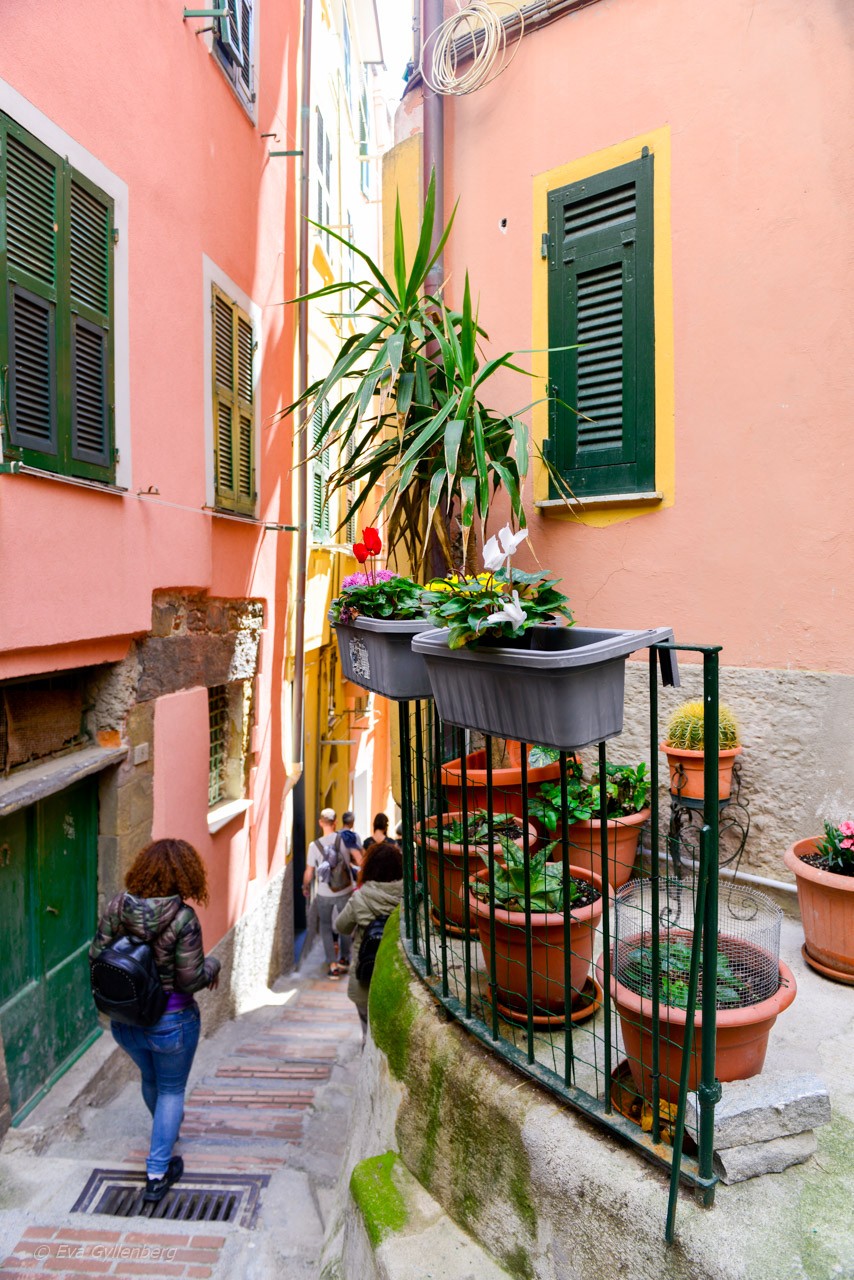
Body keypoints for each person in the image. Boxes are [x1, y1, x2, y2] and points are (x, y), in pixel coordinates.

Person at [89, 838, 221, 1204]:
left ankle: (164, 1135)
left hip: (126, 1020)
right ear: (185, 875)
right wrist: (214, 964)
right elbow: (191, 978)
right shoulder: (183, 918)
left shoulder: (118, 905)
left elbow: (96, 955)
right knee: (172, 1090)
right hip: (172, 1021)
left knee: (151, 1080)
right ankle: (158, 1172)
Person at [334, 840, 403, 1041]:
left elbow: (341, 926)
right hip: (396, 979)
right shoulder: (409, 896)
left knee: (368, 1035)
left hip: (366, 978)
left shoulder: (360, 898)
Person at [304, 807, 354, 978]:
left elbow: (309, 873)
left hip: (324, 892)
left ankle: (332, 966)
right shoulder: (344, 840)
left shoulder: (313, 846)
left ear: (320, 822)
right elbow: (354, 859)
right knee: (345, 924)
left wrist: (305, 887)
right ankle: (345, 959)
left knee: (325, 927)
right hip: (345, 889)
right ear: (335, 823)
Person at [338, 809, 363, 879]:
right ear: (352, 822)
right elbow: (359, 855)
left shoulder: (336, 835)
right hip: (349, 870)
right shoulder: (354, 836)